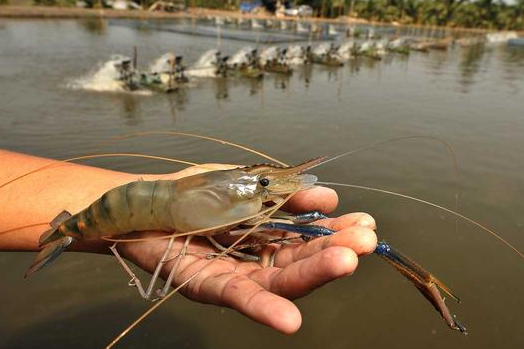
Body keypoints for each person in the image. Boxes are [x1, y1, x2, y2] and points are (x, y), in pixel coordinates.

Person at [0, 149, 377, 334]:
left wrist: (257, 187)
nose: (265, 187)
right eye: (260, 182)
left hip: (133, 207)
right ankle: (65, 234)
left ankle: (66, 232)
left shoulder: (235, 193)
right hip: (115, 212)